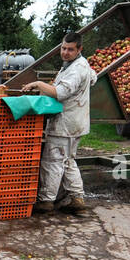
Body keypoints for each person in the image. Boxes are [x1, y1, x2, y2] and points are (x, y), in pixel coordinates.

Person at [22, 31, 96, 215]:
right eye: (63, 48)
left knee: (52, 161)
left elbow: (60, 93)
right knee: (68, 160)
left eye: (70, 49)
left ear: (79, 49)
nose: (65, 52)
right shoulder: (80, 65)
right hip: (76, 122)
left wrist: (38, 84)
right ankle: (77, 199)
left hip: (66, 124)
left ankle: (46, 201)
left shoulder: (77, 69)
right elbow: (93, 78)